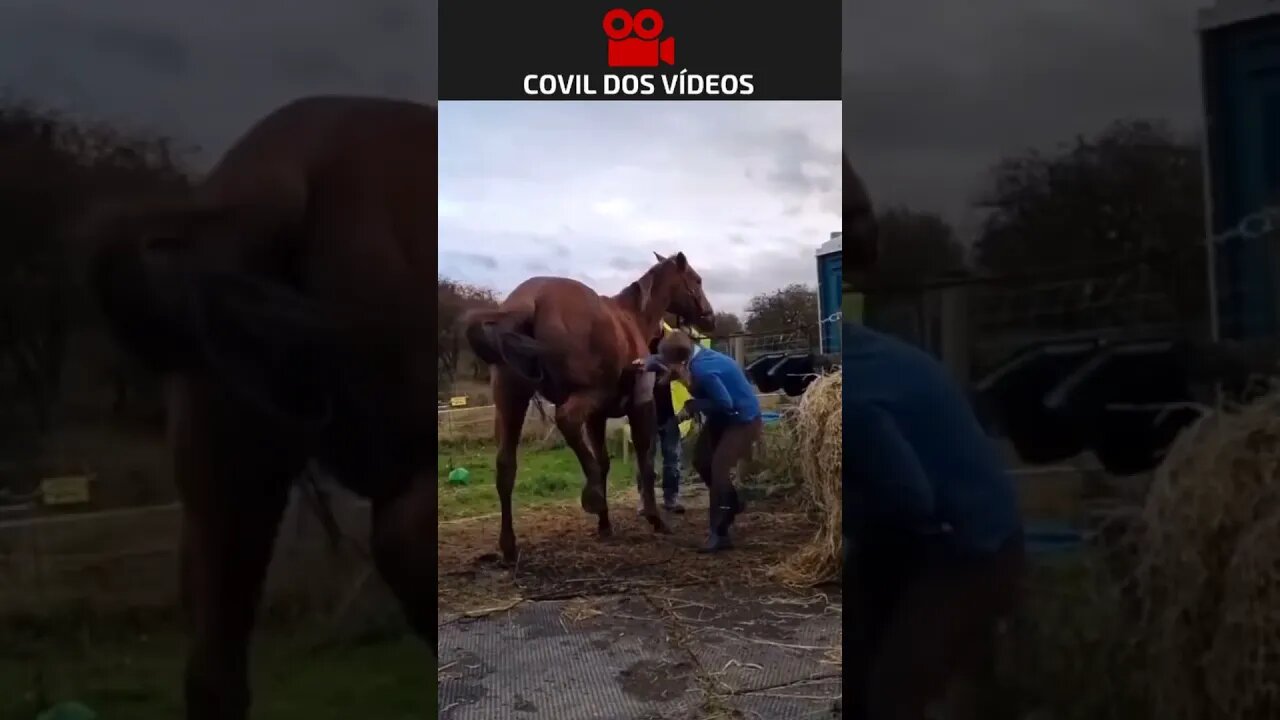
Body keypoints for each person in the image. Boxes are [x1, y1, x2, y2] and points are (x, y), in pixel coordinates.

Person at [845, 320, 1025, 720]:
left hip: (971, 546)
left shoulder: (853, 393)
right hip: (926, 534)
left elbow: (910, 497)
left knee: (895, 692)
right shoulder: (873, 350)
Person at [641, 330, 761, 552]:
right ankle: (732, 502)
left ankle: (720, 533)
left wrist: (693, 406)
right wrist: (644, 363)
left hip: (742, 420)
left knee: (718, 469)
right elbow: (661, 360)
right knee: (701, 460)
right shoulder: (692, 354)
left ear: (681, 362)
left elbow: (726, 403)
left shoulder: (704, 371)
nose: (666, 368)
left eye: (670, 365)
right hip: (721, 418)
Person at [640, 321, 710, 515]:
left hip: (672, 412)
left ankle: (671, 499)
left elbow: (698, 352)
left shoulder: (677, 339)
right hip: (646, 412)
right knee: (645, 458)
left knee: (672, 459)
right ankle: (645, 500)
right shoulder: (639, 338)